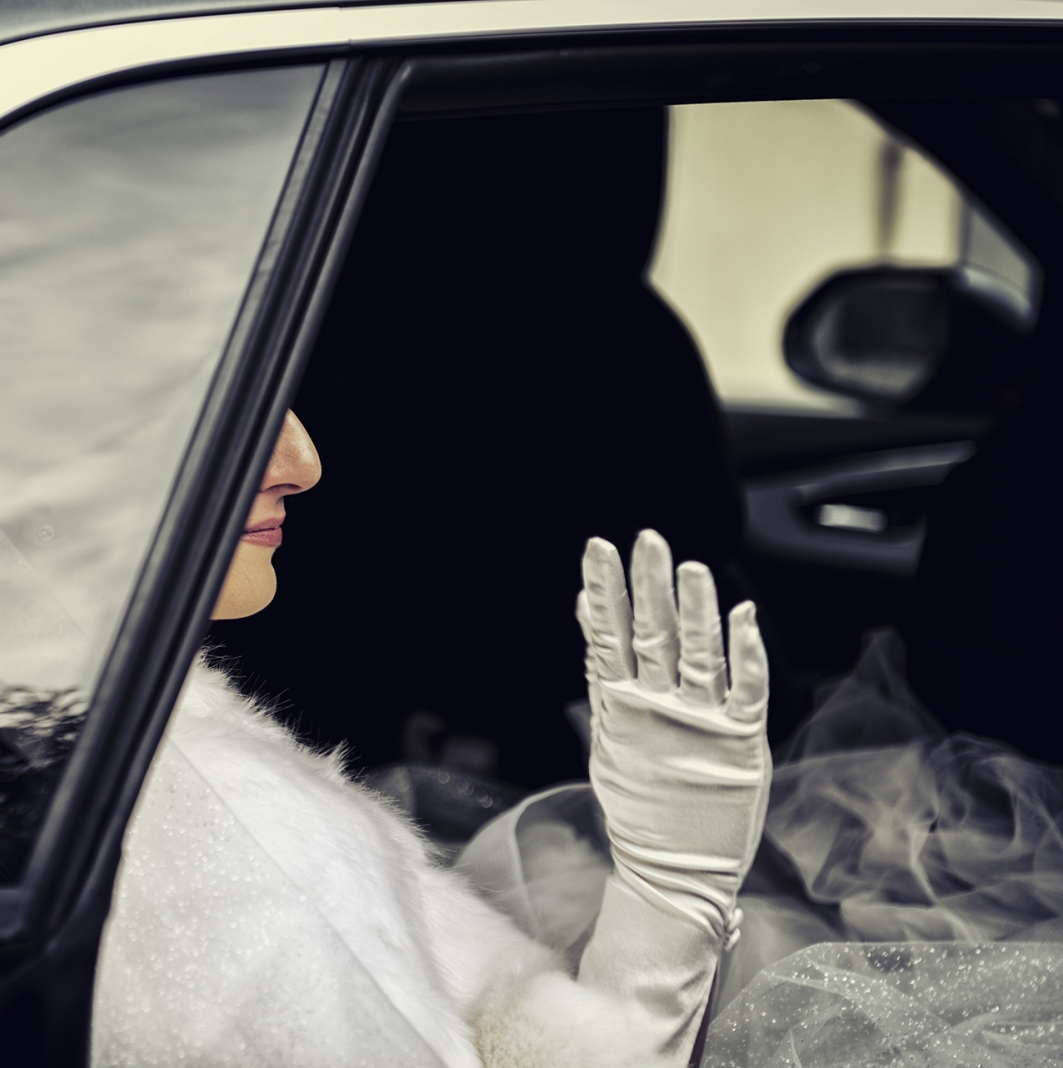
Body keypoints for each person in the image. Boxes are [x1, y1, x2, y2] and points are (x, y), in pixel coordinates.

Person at [91, 412, 772, 1068]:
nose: (304, 465)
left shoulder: (143, 753)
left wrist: (667, 899)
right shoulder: (225, 831)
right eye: (223, 392)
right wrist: (673, 897)